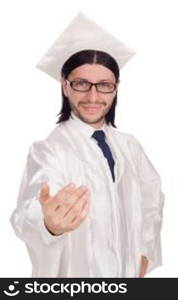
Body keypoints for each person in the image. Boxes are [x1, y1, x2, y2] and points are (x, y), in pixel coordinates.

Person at [10, 13, 164, 277]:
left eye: (104, 85)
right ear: (65, 86)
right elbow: (25, 215)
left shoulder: (130, 146)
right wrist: (48, 224)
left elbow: (152, 201)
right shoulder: (50, 150)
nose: (93, 96)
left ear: (116, 88)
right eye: (81, 84)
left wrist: (145, 254)